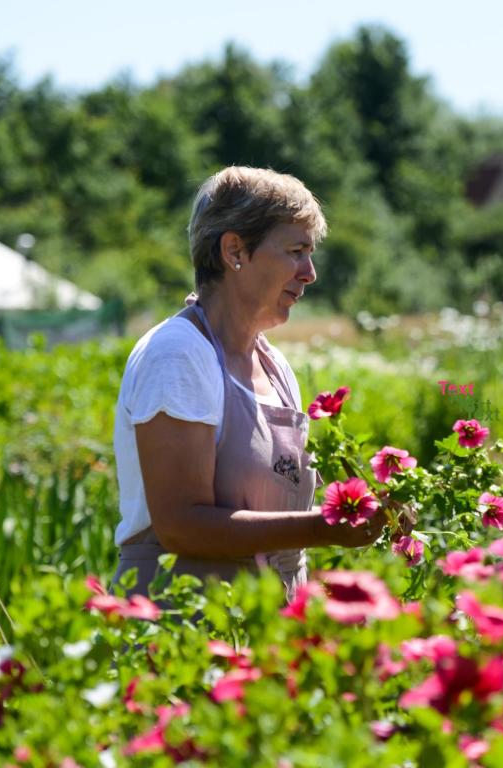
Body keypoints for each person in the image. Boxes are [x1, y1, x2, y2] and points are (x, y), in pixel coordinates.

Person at [111, 166, 385, 601]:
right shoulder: (178, 355)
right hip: (184, 626)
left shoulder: (274, 366)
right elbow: (181, 525)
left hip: (263, 626)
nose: (310, 272)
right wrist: (323, 527)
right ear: (234, 250)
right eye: (296, 250)